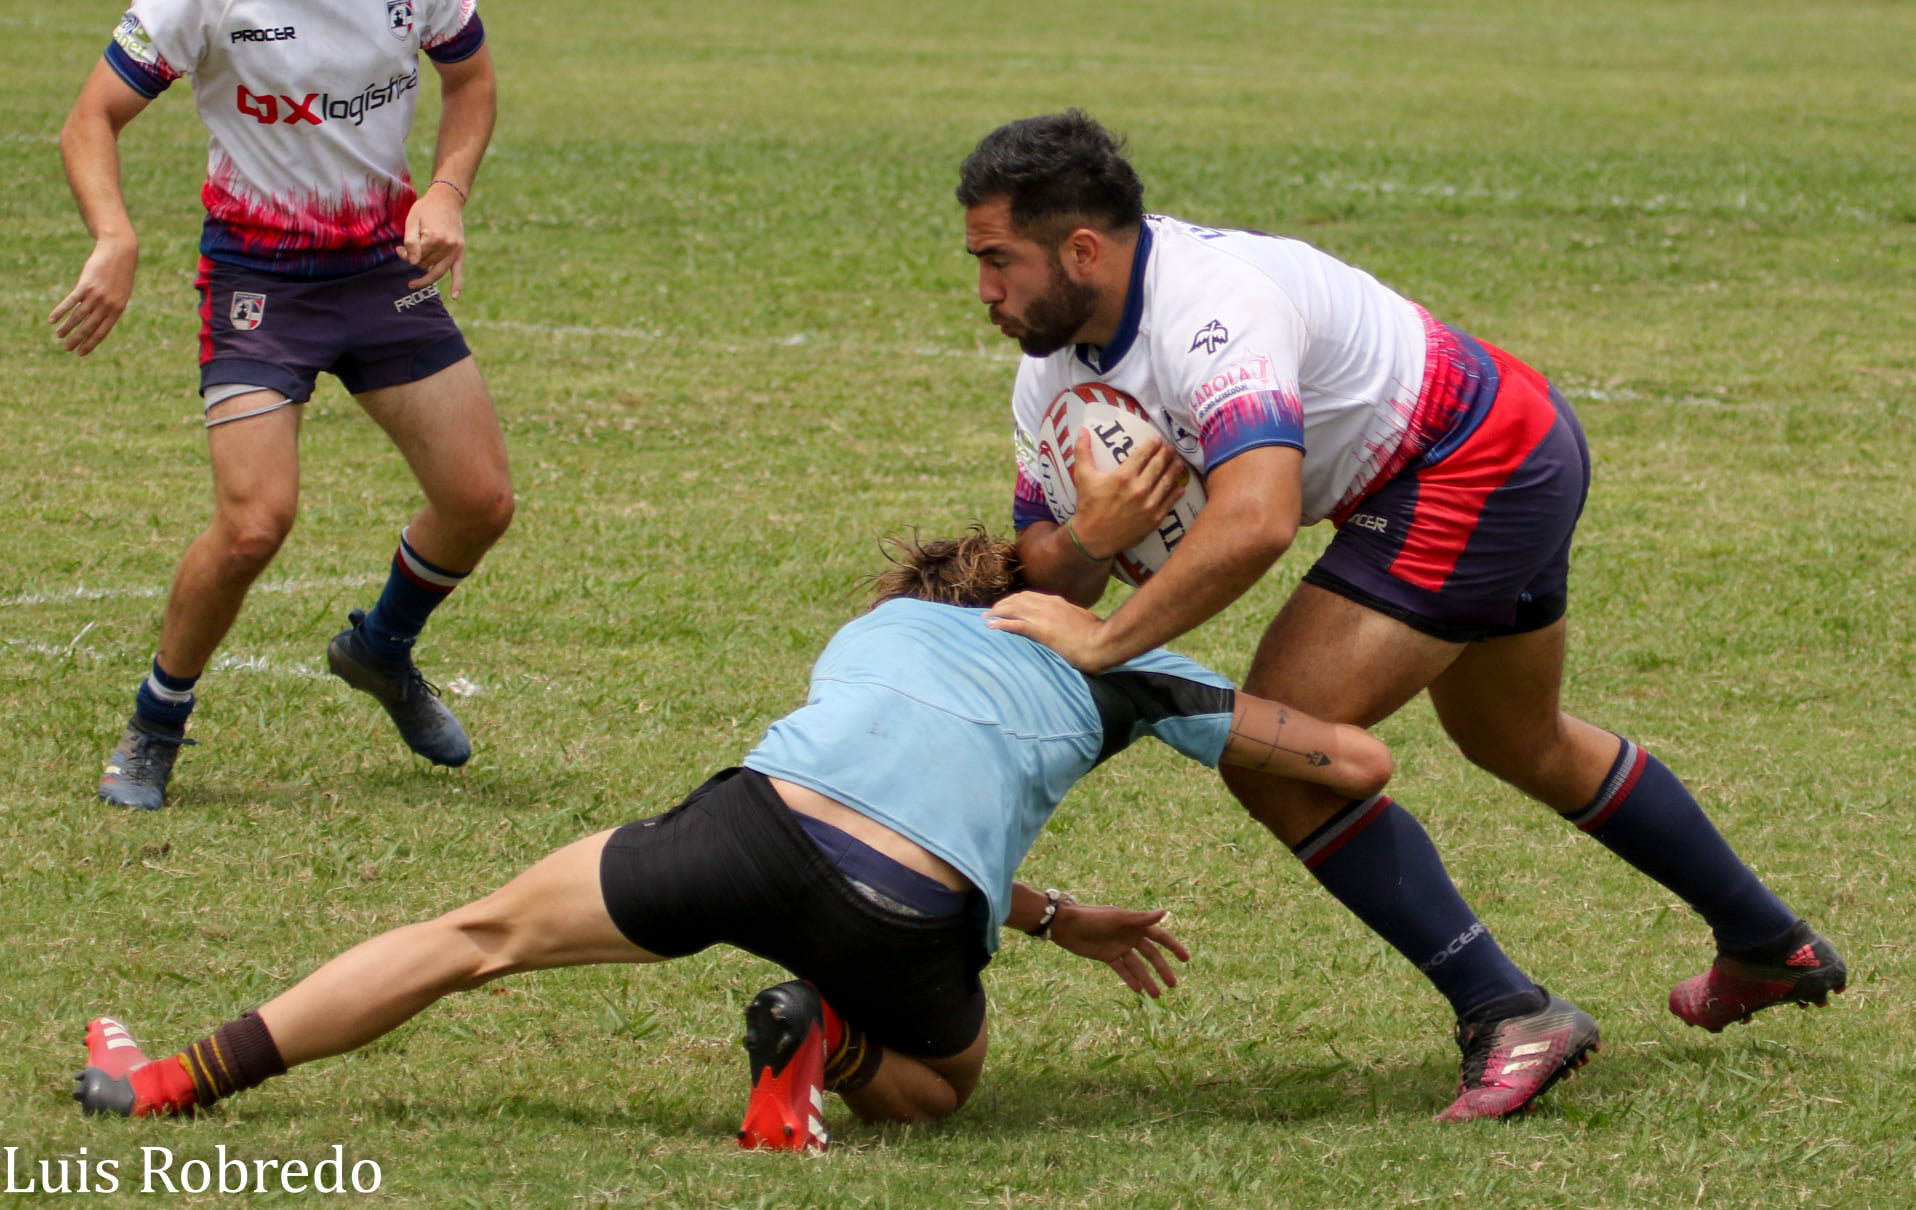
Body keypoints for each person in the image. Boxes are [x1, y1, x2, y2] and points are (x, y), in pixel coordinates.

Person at [960, 111, 1846, 1122]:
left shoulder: (1210, 305)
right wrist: (1090, 535)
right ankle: (1769, 942)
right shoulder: (1049, 372)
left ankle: (1506, 1009)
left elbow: (1253, 522)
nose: (984, 288)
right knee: (1518, 738)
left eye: (999, 261)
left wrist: (1112, 641)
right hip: (1494, 441)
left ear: (1080, 248)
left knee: (1272, 748)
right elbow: (1045, 571)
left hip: (1469, 458)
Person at [71, 529, 1392, 1148]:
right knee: (945, 1084)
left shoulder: (875, 629)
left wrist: (1051, 909)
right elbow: (1359, 760)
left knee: (467, 938)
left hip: (751, 827)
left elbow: (883, 770)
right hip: (907, 908)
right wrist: (1161, 673)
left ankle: (169, 1083)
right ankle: (827, 1038)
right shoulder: (1131, 663)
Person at [52, 0, 513, 809]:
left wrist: (446, 191)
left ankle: (381, 648)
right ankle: (155, 724)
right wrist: (114, 236)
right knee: (253, 524)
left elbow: (469, 77)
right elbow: (91, 117)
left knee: (479, 504)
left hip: (383, 268)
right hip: (258, 281)